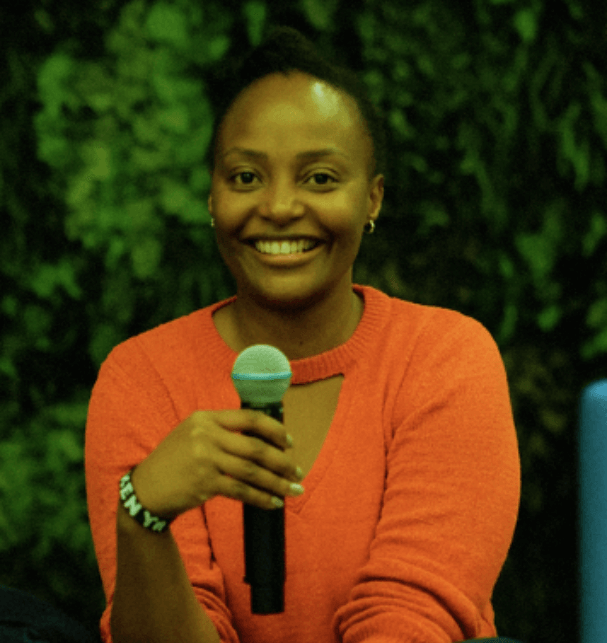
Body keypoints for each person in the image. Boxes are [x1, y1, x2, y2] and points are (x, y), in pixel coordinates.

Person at [85, 26, 521, 643]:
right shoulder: (142, 377)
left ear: (373, 199)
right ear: (211, 196)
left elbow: (410, 619)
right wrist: (142, 517)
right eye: (245, 177)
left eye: (319, 178)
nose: (280, 206)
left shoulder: (444, 358)